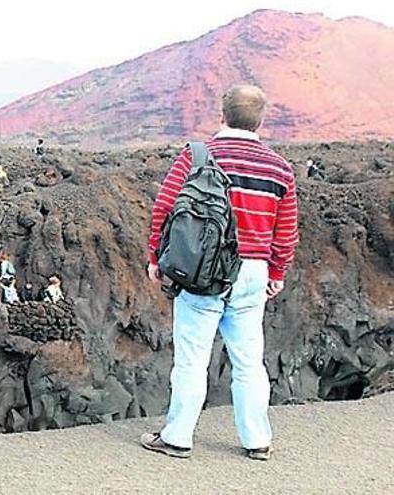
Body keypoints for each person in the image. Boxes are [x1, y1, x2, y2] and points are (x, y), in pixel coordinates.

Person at [142, 85, 299, 462]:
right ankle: (257, 440)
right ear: (260, 120)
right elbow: (286, 229)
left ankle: (178, 437)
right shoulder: (279, 168)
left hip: (203, 271)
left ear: (222, 115)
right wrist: (276, 272)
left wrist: (155, 257)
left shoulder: (197, 156)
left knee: (192, 358)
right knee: (249, 360)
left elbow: (166, 207)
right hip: (253, 272)